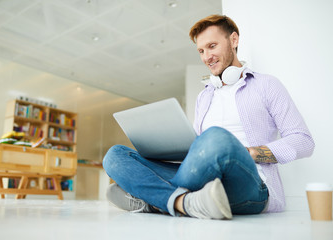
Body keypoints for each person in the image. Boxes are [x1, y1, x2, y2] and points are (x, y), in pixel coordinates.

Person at [102, 14, 315, 219]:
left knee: (215, 138)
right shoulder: (204, 97)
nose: (206, 57)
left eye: (212, 46)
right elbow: (198, 154)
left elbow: (304, 141)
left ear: (233, 40)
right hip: (203, 178)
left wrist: (249, 153)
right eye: (201, 51)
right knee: (115, 155)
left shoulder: (266, 85)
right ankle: (184, 203)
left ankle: (153, 200)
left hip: (252, 183)